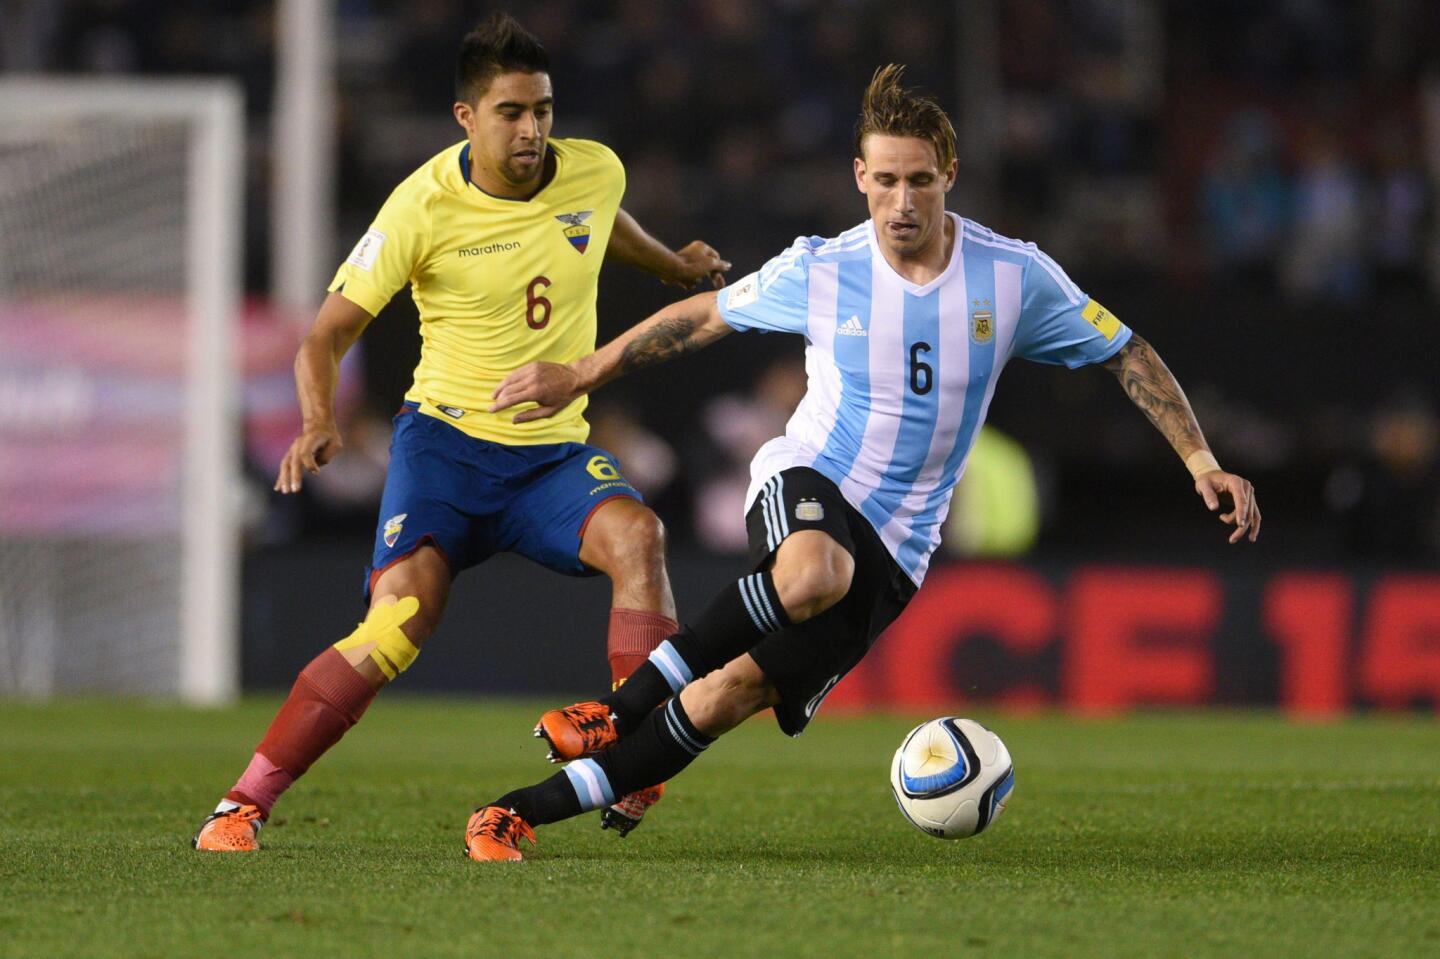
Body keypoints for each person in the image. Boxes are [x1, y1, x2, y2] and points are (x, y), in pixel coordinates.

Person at [461, 64, 1260, 861]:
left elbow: (1125, 351)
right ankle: (616, 706)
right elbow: (701, 319)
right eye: (884, 181)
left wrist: (1201, 461)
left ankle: (511, 813)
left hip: (900, 547)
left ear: (950, 173)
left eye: (919, 180)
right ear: (858, 177)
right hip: (811, 475)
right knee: (813, 571)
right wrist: (579, 373)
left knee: (724, 695)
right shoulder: (824, 266)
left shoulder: (1012, 277)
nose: (902, 202)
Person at [192, 13, 730, 852]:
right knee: (397, 622)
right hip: (444, 450)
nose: (532, 129)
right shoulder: (421, 205)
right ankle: (241, 804)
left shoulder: (593, 169)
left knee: (640, 537)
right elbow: (324, 334)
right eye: (511, 112)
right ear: (466, 118)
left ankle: (634, 754)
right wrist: (319, 417)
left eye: (544, 110)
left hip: (550, 456)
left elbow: (600, 219)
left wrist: (672, 265)